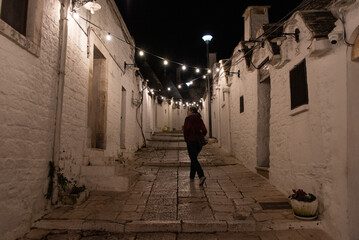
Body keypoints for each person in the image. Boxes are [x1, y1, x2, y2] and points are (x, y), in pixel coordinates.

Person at [183, 106, 207, 186]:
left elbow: (186, 130)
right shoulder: (199, 119)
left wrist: (186, 139)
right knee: (194, 158)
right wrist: (200, 135)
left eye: (188, 110)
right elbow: (205, 131)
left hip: (191, 141)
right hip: (199, 143)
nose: (187, 112)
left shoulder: (188, 119)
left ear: (191, 111)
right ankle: (192, 176)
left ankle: (201, 175)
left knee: (193, 158)